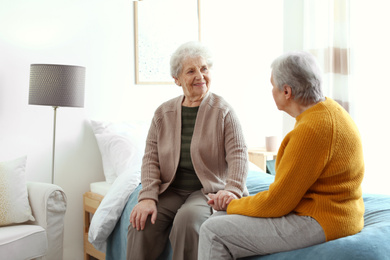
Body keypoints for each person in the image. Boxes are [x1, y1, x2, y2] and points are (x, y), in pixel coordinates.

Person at [198, 51, 365, 259]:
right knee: (219, 217)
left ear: (287, 91)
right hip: (341, 212)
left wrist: (233, 204)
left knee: (212, 230)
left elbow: (277, 203)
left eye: (272, 85)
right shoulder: (330, 110)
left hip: (323, 219)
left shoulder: (312, 130)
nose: (271, 91)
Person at [126, 41, 248, 260]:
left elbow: (238, 154)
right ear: (177, 79)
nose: (200, 76)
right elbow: (150, 159)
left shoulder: (224, 111)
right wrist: (147, 197)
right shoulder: (163, 113)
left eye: (204, 69)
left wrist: (233, 189)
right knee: (140, 223)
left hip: (207, 191)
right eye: (191, 71)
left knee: (188, 221)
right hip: (170, 190)